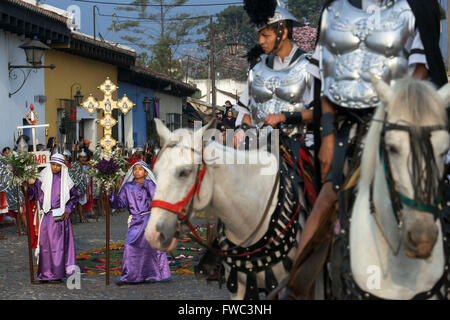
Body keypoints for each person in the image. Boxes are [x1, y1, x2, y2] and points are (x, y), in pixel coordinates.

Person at [285, 0, 448, 298]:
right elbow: (326, 81)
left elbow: (420, 72)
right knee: (326, 199)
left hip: (402, 123)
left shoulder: (415, 7)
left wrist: (396, 115)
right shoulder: (334, 11)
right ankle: (296, 289)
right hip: (349, 130)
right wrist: (329, 136)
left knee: (438, 184)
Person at [110, 160, 171, 285]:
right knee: (129, 246)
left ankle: (152, 275)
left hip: (149, 220)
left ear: (145, 172)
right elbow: (119, 204)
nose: (137, 171)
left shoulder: (150, 184)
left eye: (140, 169)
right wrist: (110, 193)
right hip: (135, 222)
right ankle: (129, 276)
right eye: (135, 169)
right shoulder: (127, 187)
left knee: (150, 249)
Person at [27, 153, 80, 283]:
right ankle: (45, 274)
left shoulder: (65, 180)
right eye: (53, 164)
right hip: (47, 216)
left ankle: (57, 273)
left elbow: (74, 196)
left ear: (62, 166)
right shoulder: (42, 178)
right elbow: (33, 195)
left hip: (60, 217)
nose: (55, 167)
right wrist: (28, 185)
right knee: (45, 246)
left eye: (58, 165)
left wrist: (67, 209)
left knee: (59, 247)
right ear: (49, 164)